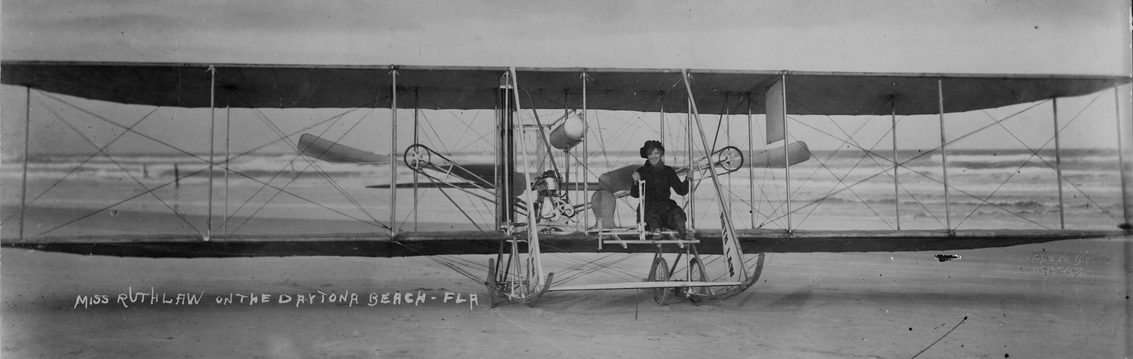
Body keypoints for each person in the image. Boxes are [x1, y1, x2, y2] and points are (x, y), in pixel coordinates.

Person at [630, 140, 692, 239]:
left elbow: (681, 191)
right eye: (650, 154)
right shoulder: (641, 172)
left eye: (656, 153)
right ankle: (656, 232)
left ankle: (684, 234)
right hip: (648, 207)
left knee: (677, 214)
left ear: (661, 154)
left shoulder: (668, 171)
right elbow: (635, 194)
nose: (654, 157)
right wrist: (635, 182)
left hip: (666, 206)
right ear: (647, 155)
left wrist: (687, 179)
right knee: (653, 218)